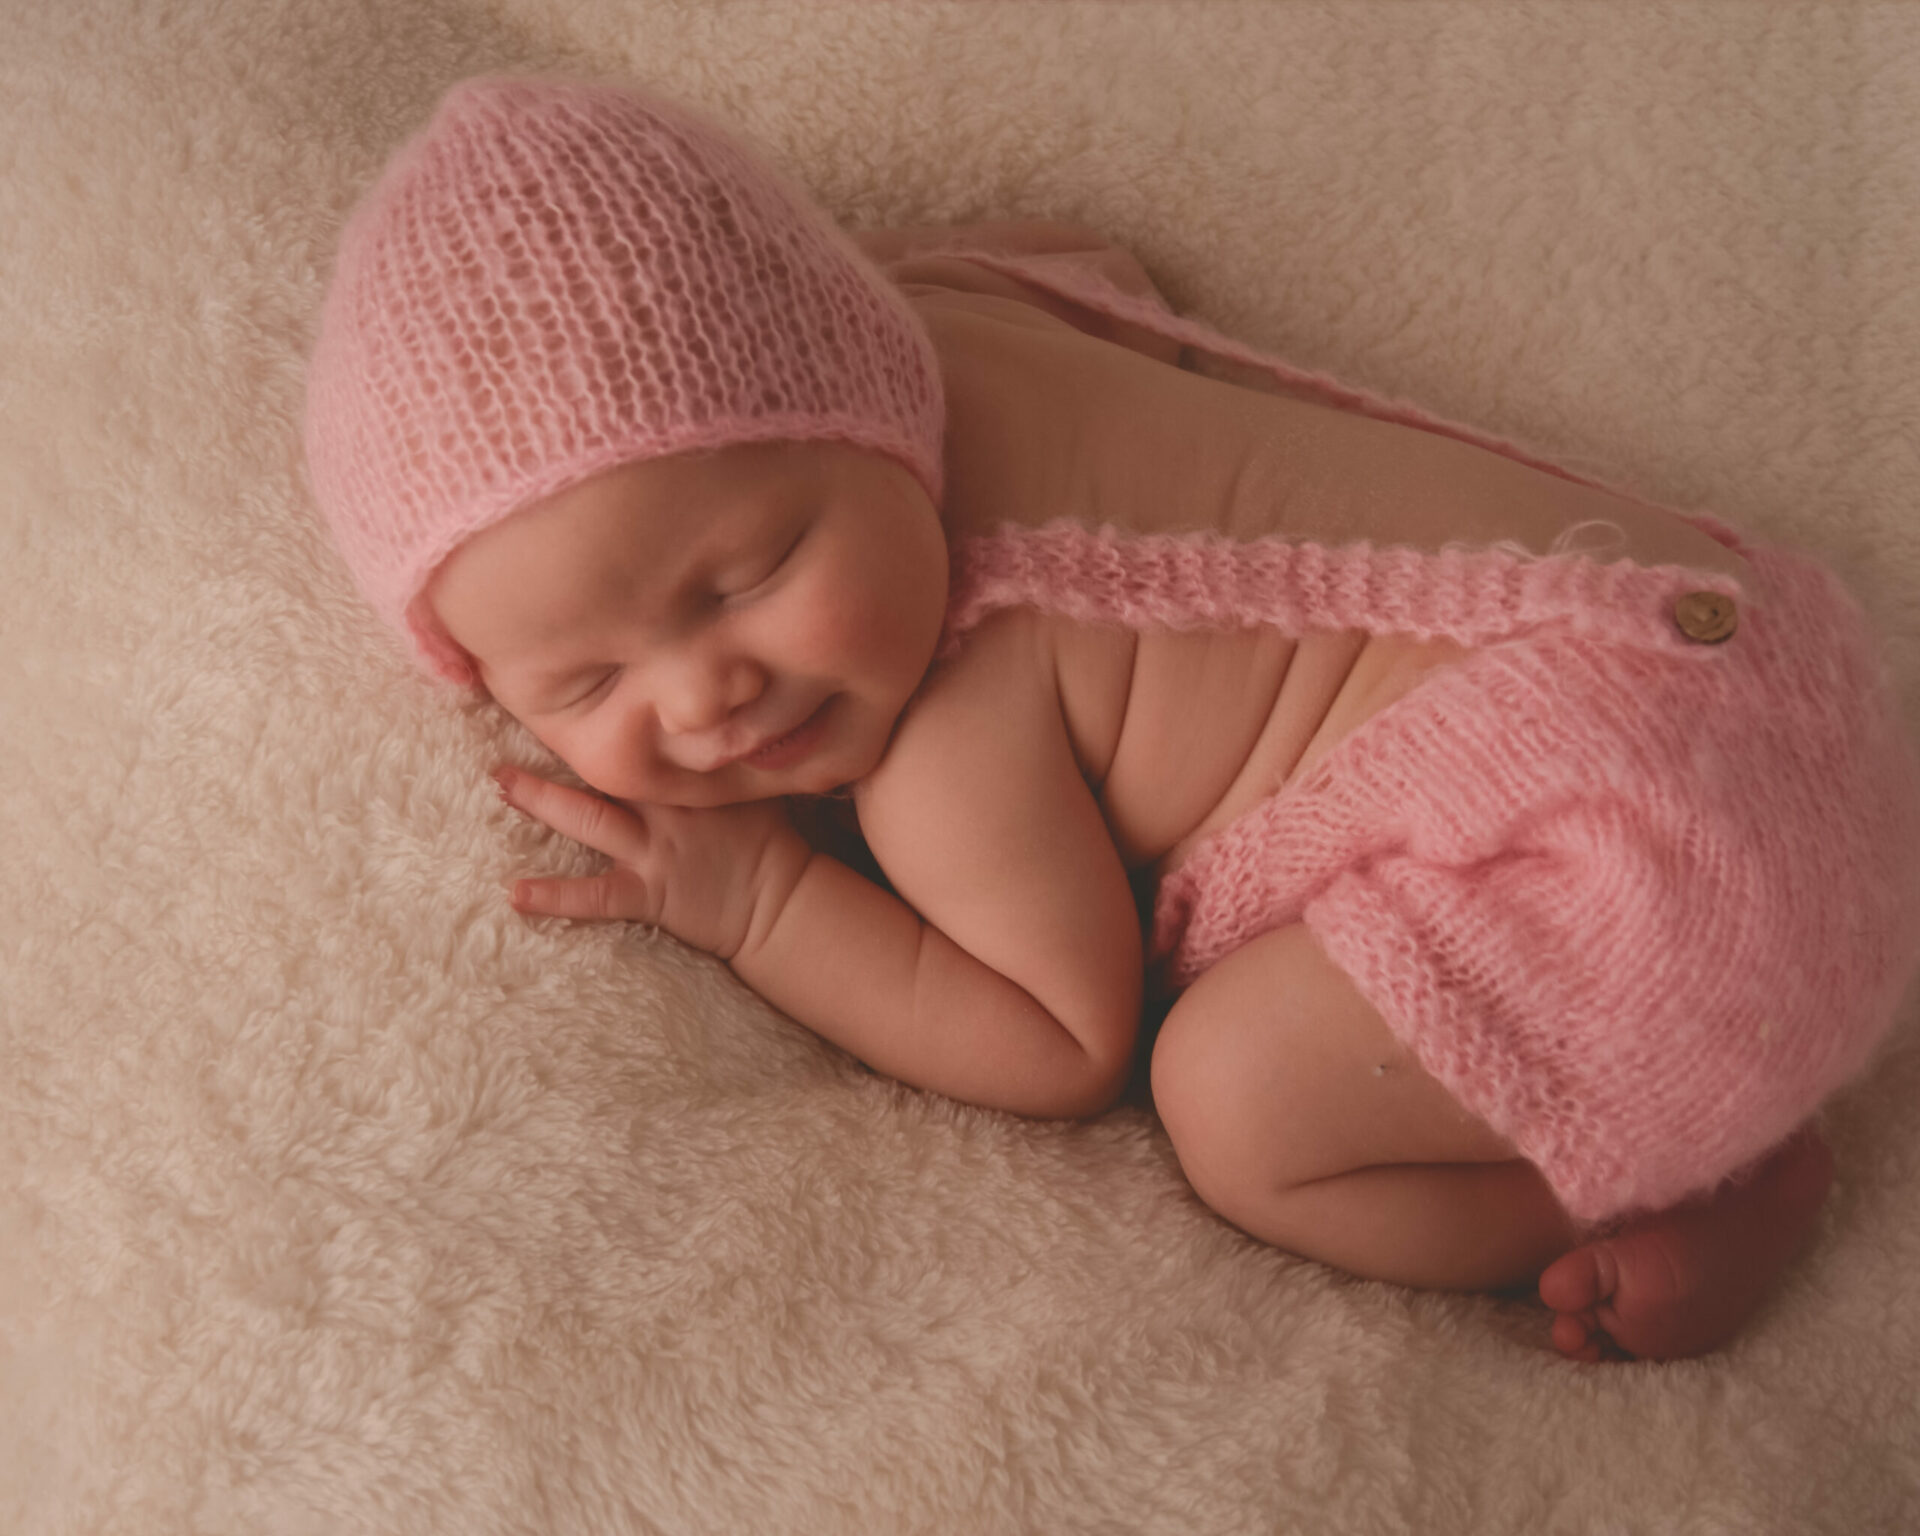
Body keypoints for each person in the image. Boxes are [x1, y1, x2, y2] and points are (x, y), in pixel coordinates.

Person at [304, 76, 1920, 1362]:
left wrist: (763, 897)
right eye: (586, 686)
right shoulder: (972, 303)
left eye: (753, 572)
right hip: (1760, 656)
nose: (708, 694)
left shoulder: (956, 716)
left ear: (864, 404)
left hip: (1650, 856)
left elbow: (1061, 1040)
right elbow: (1103, 268)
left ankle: (1683, 1186)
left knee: (1231, 1107)